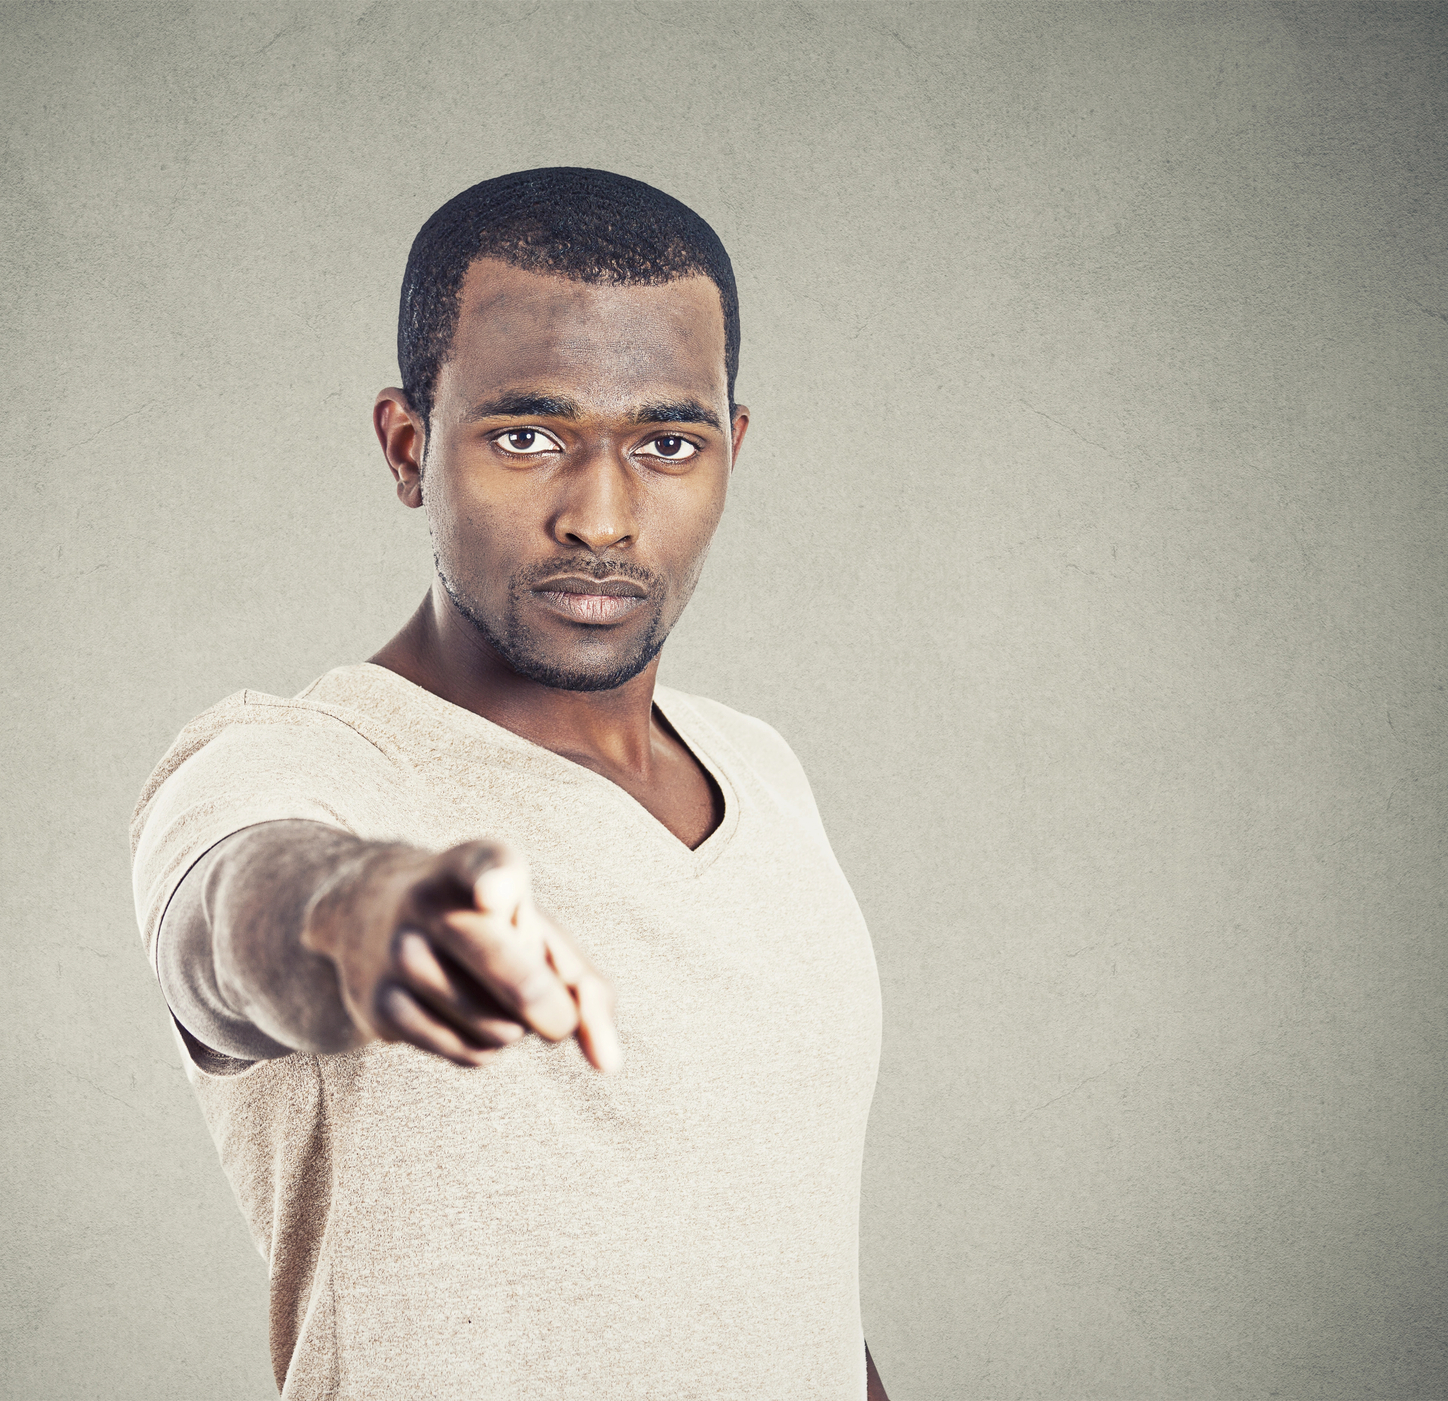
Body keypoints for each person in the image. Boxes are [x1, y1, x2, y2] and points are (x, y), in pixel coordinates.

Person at [130, 167, 887, 1399]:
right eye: (527, 437)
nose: (600, 515)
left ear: (730, 453)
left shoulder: (762, 770)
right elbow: (226, 926)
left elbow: (789, 1278)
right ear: (407, 444)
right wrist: (367, 916)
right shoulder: (294, 766)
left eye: (666, 442)